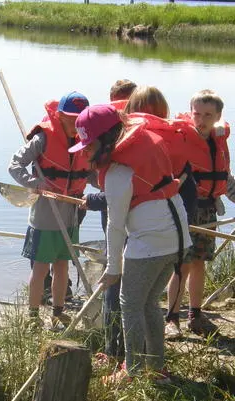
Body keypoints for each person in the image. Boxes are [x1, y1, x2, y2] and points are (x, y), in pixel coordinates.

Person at [69, 104, 191, 382]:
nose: (86, 152)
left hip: (150, 242)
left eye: (89, 145)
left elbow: (115, 224)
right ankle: (156, 368)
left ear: (106, 138)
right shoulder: (148, 141)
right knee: (148, 303)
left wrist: (113, 268)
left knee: (130, 304)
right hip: (178, 238)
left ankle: (132, 371)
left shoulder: (118, 172)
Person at [165, 90, 235, 338]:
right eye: (197, 113)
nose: (201, 119)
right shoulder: (182, 139)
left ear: (218, 116)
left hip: (207, 210)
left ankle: (196, 314)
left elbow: (224, 177)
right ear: (190, 111)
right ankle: (172, 318)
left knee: (198, 264)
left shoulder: (217, 142)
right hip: (185, 211)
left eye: (208, 115)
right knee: (180, 265)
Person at [8, 92, 92, 329]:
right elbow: (14, 165)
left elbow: (93, 172)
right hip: (45, 212)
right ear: (60, 115)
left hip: (70, 212)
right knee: (41, 267)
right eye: (71, 118)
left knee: (63, 264)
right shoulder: (43, 138)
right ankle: (33, 316)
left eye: (81, 118)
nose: (77, 124)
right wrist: (35, 183)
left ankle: (58, 311)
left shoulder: (87, 140)